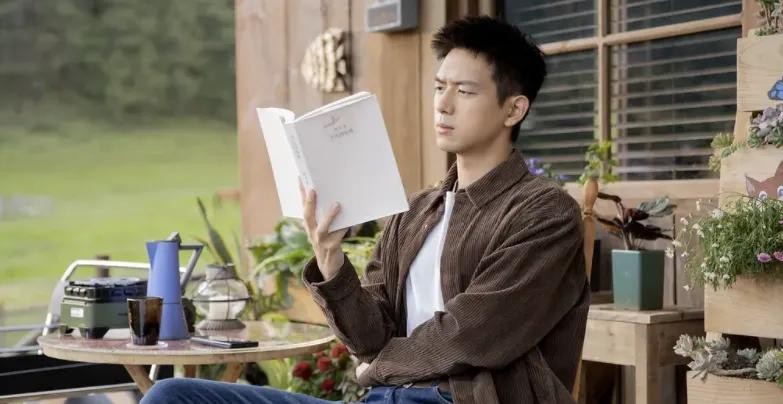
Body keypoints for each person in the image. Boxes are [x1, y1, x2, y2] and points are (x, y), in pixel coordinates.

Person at [142, 15, 589, 404]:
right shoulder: (415, 211)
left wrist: (379, 367)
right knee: (172, 395)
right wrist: (330, 259)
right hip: (385, 397)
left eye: (465, 91)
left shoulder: (545, 213)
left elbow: (473, 335)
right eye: (439, 87)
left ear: (514, 109)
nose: (443, 103)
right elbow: (370, 338)